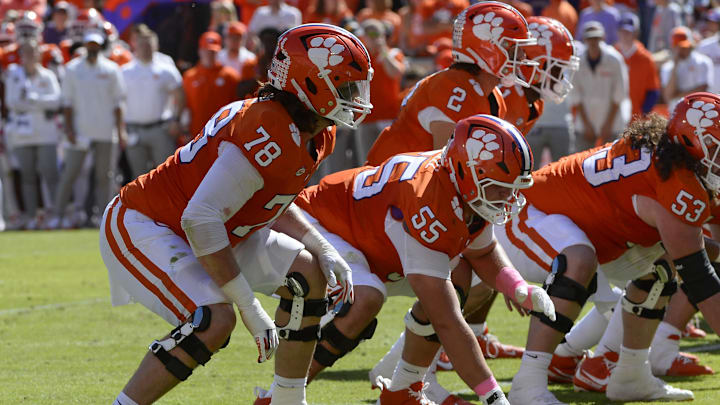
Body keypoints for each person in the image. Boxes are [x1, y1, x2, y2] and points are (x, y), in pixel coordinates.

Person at [99, 24, 373, 405]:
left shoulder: (314, 131)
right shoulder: (267, 125)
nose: (355, 99)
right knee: (214, 320)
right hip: (150, 223)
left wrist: (322, 247)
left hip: (214, 229)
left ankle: (287, 400)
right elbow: (201, 218)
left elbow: (270, 199)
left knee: (309, 274)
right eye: (345, 88)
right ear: (310, 84)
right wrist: (248, 305)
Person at [256, 114, 554, 405]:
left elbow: (484, 252)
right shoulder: (428, 199)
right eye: (500, 186)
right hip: (323, 225)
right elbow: (448, 322)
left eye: (512, 187)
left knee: (461, 274)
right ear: (467, 171)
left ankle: (403, 389)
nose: (507, 197)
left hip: (371, 240)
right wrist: (493, 396)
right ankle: (280, 395)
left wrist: (518, 287)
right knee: (364, 299)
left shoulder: (460, 185)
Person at [504, 92, 720, 404]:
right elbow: (699, 277)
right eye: (715, 146)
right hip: (529, 212)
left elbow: (695, 248)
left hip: (585, 227)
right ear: (691, 142)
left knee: (660, 268)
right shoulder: (674, 179)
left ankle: (630, 375)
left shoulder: (670, 158)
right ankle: (528, 383)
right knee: (578, 261)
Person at [365, 1, 538, 166]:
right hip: (386, 185)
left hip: (411, 187)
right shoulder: (452, 88)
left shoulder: (494, 96)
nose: (522, 57)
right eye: (514, 49)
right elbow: (446, 168)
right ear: (487, 48)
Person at [52, 30, 126, 229]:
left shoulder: (111, 69)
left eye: (96, 45)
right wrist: (69, 129)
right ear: (85, 46)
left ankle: (104, 217)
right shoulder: (73, 69)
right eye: (89, 45)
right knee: (70, 173)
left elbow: (118, 103)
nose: (92, 49)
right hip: (80, 131)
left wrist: (120, 131)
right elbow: (67, 102)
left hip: (105, 131)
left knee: (105, 176)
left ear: (100, 47)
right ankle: (57, 214)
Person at [3, 40, 61, 230]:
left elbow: (55, 101)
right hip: (22, 133)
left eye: (33, 51)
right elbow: (11, 102)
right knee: (27, 176)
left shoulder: (48, 75)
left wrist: (33, 100)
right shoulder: (13, 75)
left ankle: (54, 214)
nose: (29, 55)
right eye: (26, 52)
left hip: (45, 132)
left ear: (39, 54)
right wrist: (36, 105)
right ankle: (30, 216)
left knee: (50, 174)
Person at [121, 24, 183, 179]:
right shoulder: (126, 71)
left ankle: (169, 204)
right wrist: (121, 129)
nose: (145, 48)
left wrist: (176, 119)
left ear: (156, 46)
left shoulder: (165, 69)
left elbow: (180, 94)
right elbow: (118, 101)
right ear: (135, 45)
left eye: (149, 44)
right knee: (139, 178)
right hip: (134, 129)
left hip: (160, 128)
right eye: (141, 44)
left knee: (167, 174)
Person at [570, 22, 629, 152]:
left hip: (612, 124)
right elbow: (575, 95)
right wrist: (587, 125)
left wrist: (608, 124)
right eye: (590, 38)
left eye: (596, 38)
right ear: (584, 39)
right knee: (580, 165)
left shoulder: (614, 59)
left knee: (614, 162)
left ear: (602, 38)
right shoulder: (578, 61)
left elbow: (619, 94)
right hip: (585, 125)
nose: (593, 42)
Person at [355, 19, 406, 166]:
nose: (373, 37)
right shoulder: (361, 58)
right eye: (369, 34)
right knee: (365, 163)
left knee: (389, 161)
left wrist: (383, 49)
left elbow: (395, 72)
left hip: (388, 116)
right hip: (366, 117)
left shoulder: (393, 53)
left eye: (376, 33)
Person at [181, 31, 241, 138]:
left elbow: (238, 105)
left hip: (223, 132)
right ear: (200, 51)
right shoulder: (189, 77)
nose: (209, 54)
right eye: (206, 50)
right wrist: (185, 130)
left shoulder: (230, 76)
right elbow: (185, 106)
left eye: (213, 51)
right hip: (197, 133)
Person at [615, 12, 660, 119]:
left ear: (636, 33)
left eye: (628, 32)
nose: (625, 35)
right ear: (618, 32)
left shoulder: (645, 58)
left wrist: (643, 114)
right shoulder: (612, 55)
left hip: (636, 117)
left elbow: (653, 91)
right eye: (622, 31)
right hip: (614, 118)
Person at [660, 26, 713, 110]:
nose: (681, 50)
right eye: (678, 46)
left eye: (684, 46)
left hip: (699, 111)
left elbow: (702, 89)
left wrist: (677, 95)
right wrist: (675, 67)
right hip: (676, 113)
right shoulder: (667, 67)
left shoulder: (703, 61)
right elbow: (668, 95)